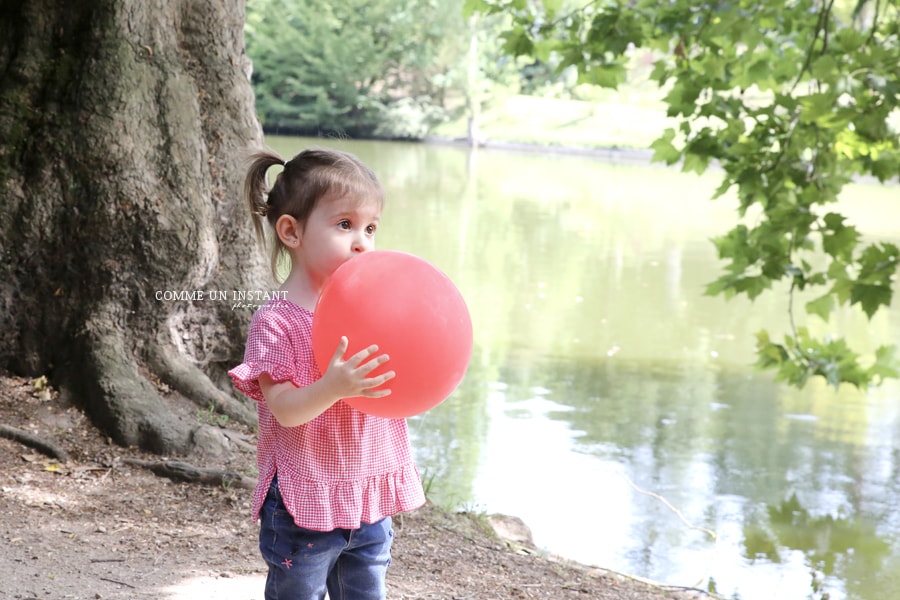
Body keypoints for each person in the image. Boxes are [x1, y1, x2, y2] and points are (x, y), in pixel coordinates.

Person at [228, 147, 426, 600]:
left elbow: (407, 372)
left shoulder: (374, 311)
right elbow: (286, 410)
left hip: (367, 494)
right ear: (291, 231)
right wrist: (332, 385)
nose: (362, 242)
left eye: (371, 228)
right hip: (305, 502)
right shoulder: (278, 321)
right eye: (345, 225)